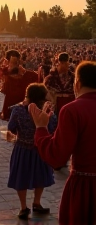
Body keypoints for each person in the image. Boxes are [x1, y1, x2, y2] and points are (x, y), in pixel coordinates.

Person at [29, 61, 96, 225]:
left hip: (85, 188)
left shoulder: (73, 110)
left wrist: (41, 129)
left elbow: (57, 156)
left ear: (77, 83)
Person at [7, 83, 57, 220]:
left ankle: (23, 207)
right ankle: (37, 202)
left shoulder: (18, 110)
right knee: (40, 175)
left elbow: (11, 127)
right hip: (40, 148)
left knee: (20, 176)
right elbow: (53, 129)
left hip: (22, 148)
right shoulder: (47, 111)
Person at [0, 49, 38, 120]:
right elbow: (0, 81)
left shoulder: (23, 72)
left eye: (17, 60)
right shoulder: (4, 71)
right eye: (14, 60)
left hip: (19, 95)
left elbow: (30, 76)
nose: (16, 62)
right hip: (10, 96)